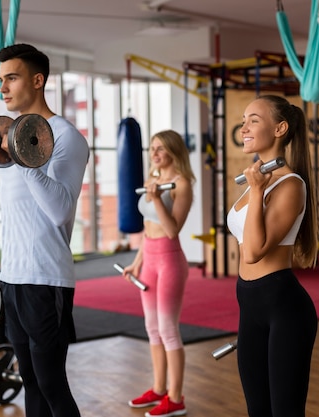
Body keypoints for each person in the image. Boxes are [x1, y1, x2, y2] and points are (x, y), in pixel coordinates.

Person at [0, 43, 89, 417]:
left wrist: (25, 160)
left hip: (45, 277)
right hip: (13, 276)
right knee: (30, 383)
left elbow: (60, 211)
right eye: (0, 80)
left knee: (51, 383)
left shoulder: (66, 136)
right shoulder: (10, 137)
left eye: (12, 78)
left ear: (37, 80)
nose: (3, 88)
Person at [227, 94, 318, 417]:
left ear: (280, 129)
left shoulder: (290, 184)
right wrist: (256, 187)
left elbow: (252, 251)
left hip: (283, 306)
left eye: (254, 120)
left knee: (285, 412)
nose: (244, 127)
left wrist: (255, 190)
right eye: (244, 120)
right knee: (258, 411)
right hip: (249, 303)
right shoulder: (261, 178)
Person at [122, 130, 195, 417]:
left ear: (174, 152)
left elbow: (172, 229)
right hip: (149, 258)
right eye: (152, 148)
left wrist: (154, 200)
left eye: (161, 148)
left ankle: (176, 398)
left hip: (170, 261)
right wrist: (136, 261)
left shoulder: (182, 184)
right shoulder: (152, 182)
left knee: (167, 330)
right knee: (151, 329)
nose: (154, 153)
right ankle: (159, 388)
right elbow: (148, 230)